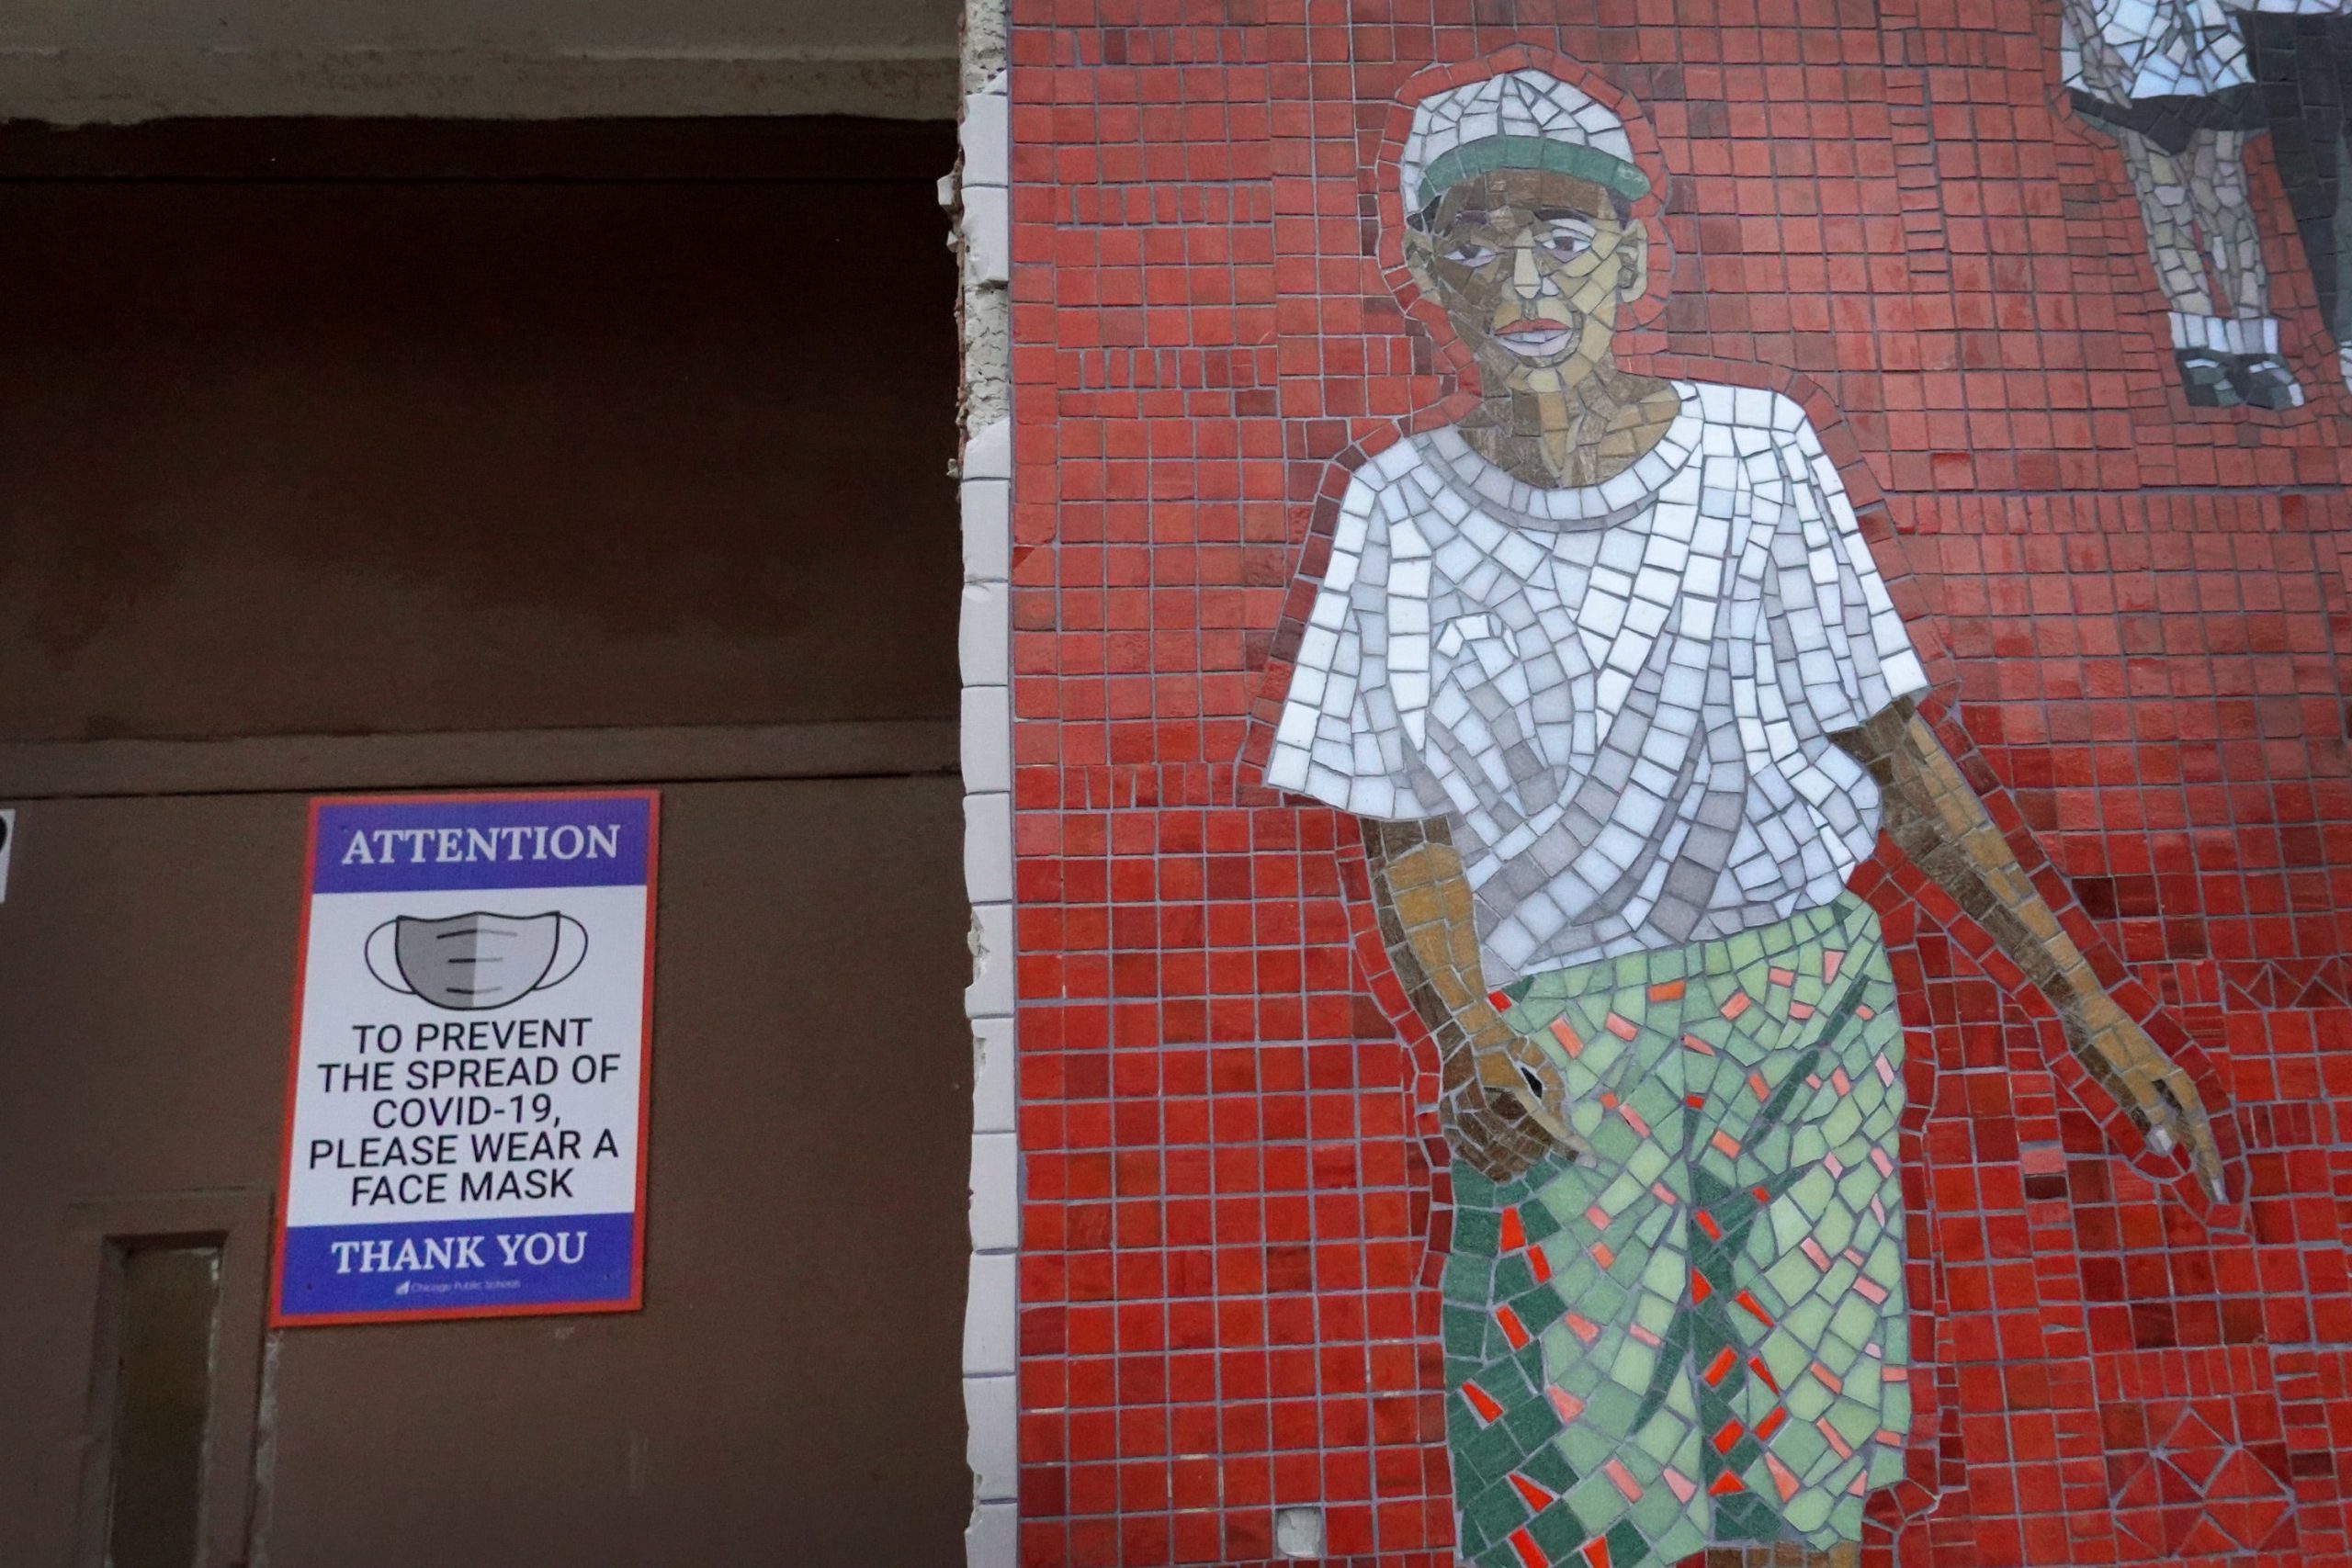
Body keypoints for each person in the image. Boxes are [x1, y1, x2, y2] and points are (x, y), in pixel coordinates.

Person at [1263, 66, 2229, 1568]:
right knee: (1583, 1494)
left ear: (1634, 257)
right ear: (1421, 271)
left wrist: (2087, 1003)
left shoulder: (1757, 451)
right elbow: (1407, 819)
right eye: (1476, 239)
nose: (1525, 278)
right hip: (1567, 1036)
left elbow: (1894, 750)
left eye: (1565, 235)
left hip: (1804, 1001)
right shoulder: (1402, 507)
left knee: (1809, 1463)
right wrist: (1470, 1025)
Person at [2059, 0, 2308, 407]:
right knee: (2167, 205)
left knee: (2223, 201)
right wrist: (2099, 53)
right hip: (2129, 65)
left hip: (2211, 61)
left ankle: (2254, 346)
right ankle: (2200, 346)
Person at [2234, 0, 2352, 394]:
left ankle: (2344, 338)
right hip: (2278, 27)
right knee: (2313, 193)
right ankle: (2344, 340)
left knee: (2321, 191)